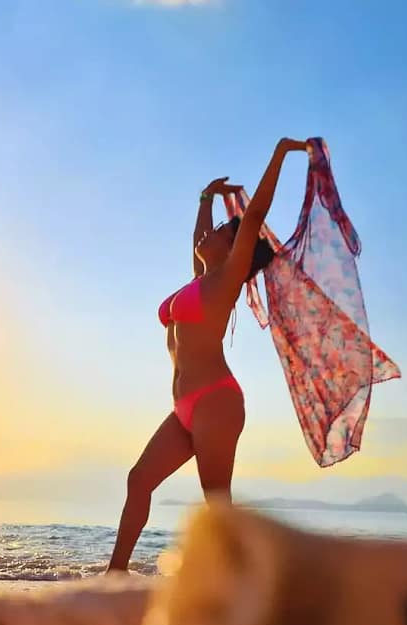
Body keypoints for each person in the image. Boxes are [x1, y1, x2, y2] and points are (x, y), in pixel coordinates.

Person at [106, 137, 310, 572]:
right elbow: (199, 239)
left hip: (216, 402)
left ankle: (246, 586)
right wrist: (205, 197)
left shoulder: (226, 282)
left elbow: (253, 216)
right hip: (184, 407)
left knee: (216, 509)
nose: (210, 233)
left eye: (220, 232)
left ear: (234, 249)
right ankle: (115, 576)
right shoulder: (199, 281)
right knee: (139, 480)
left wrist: (279, 152)